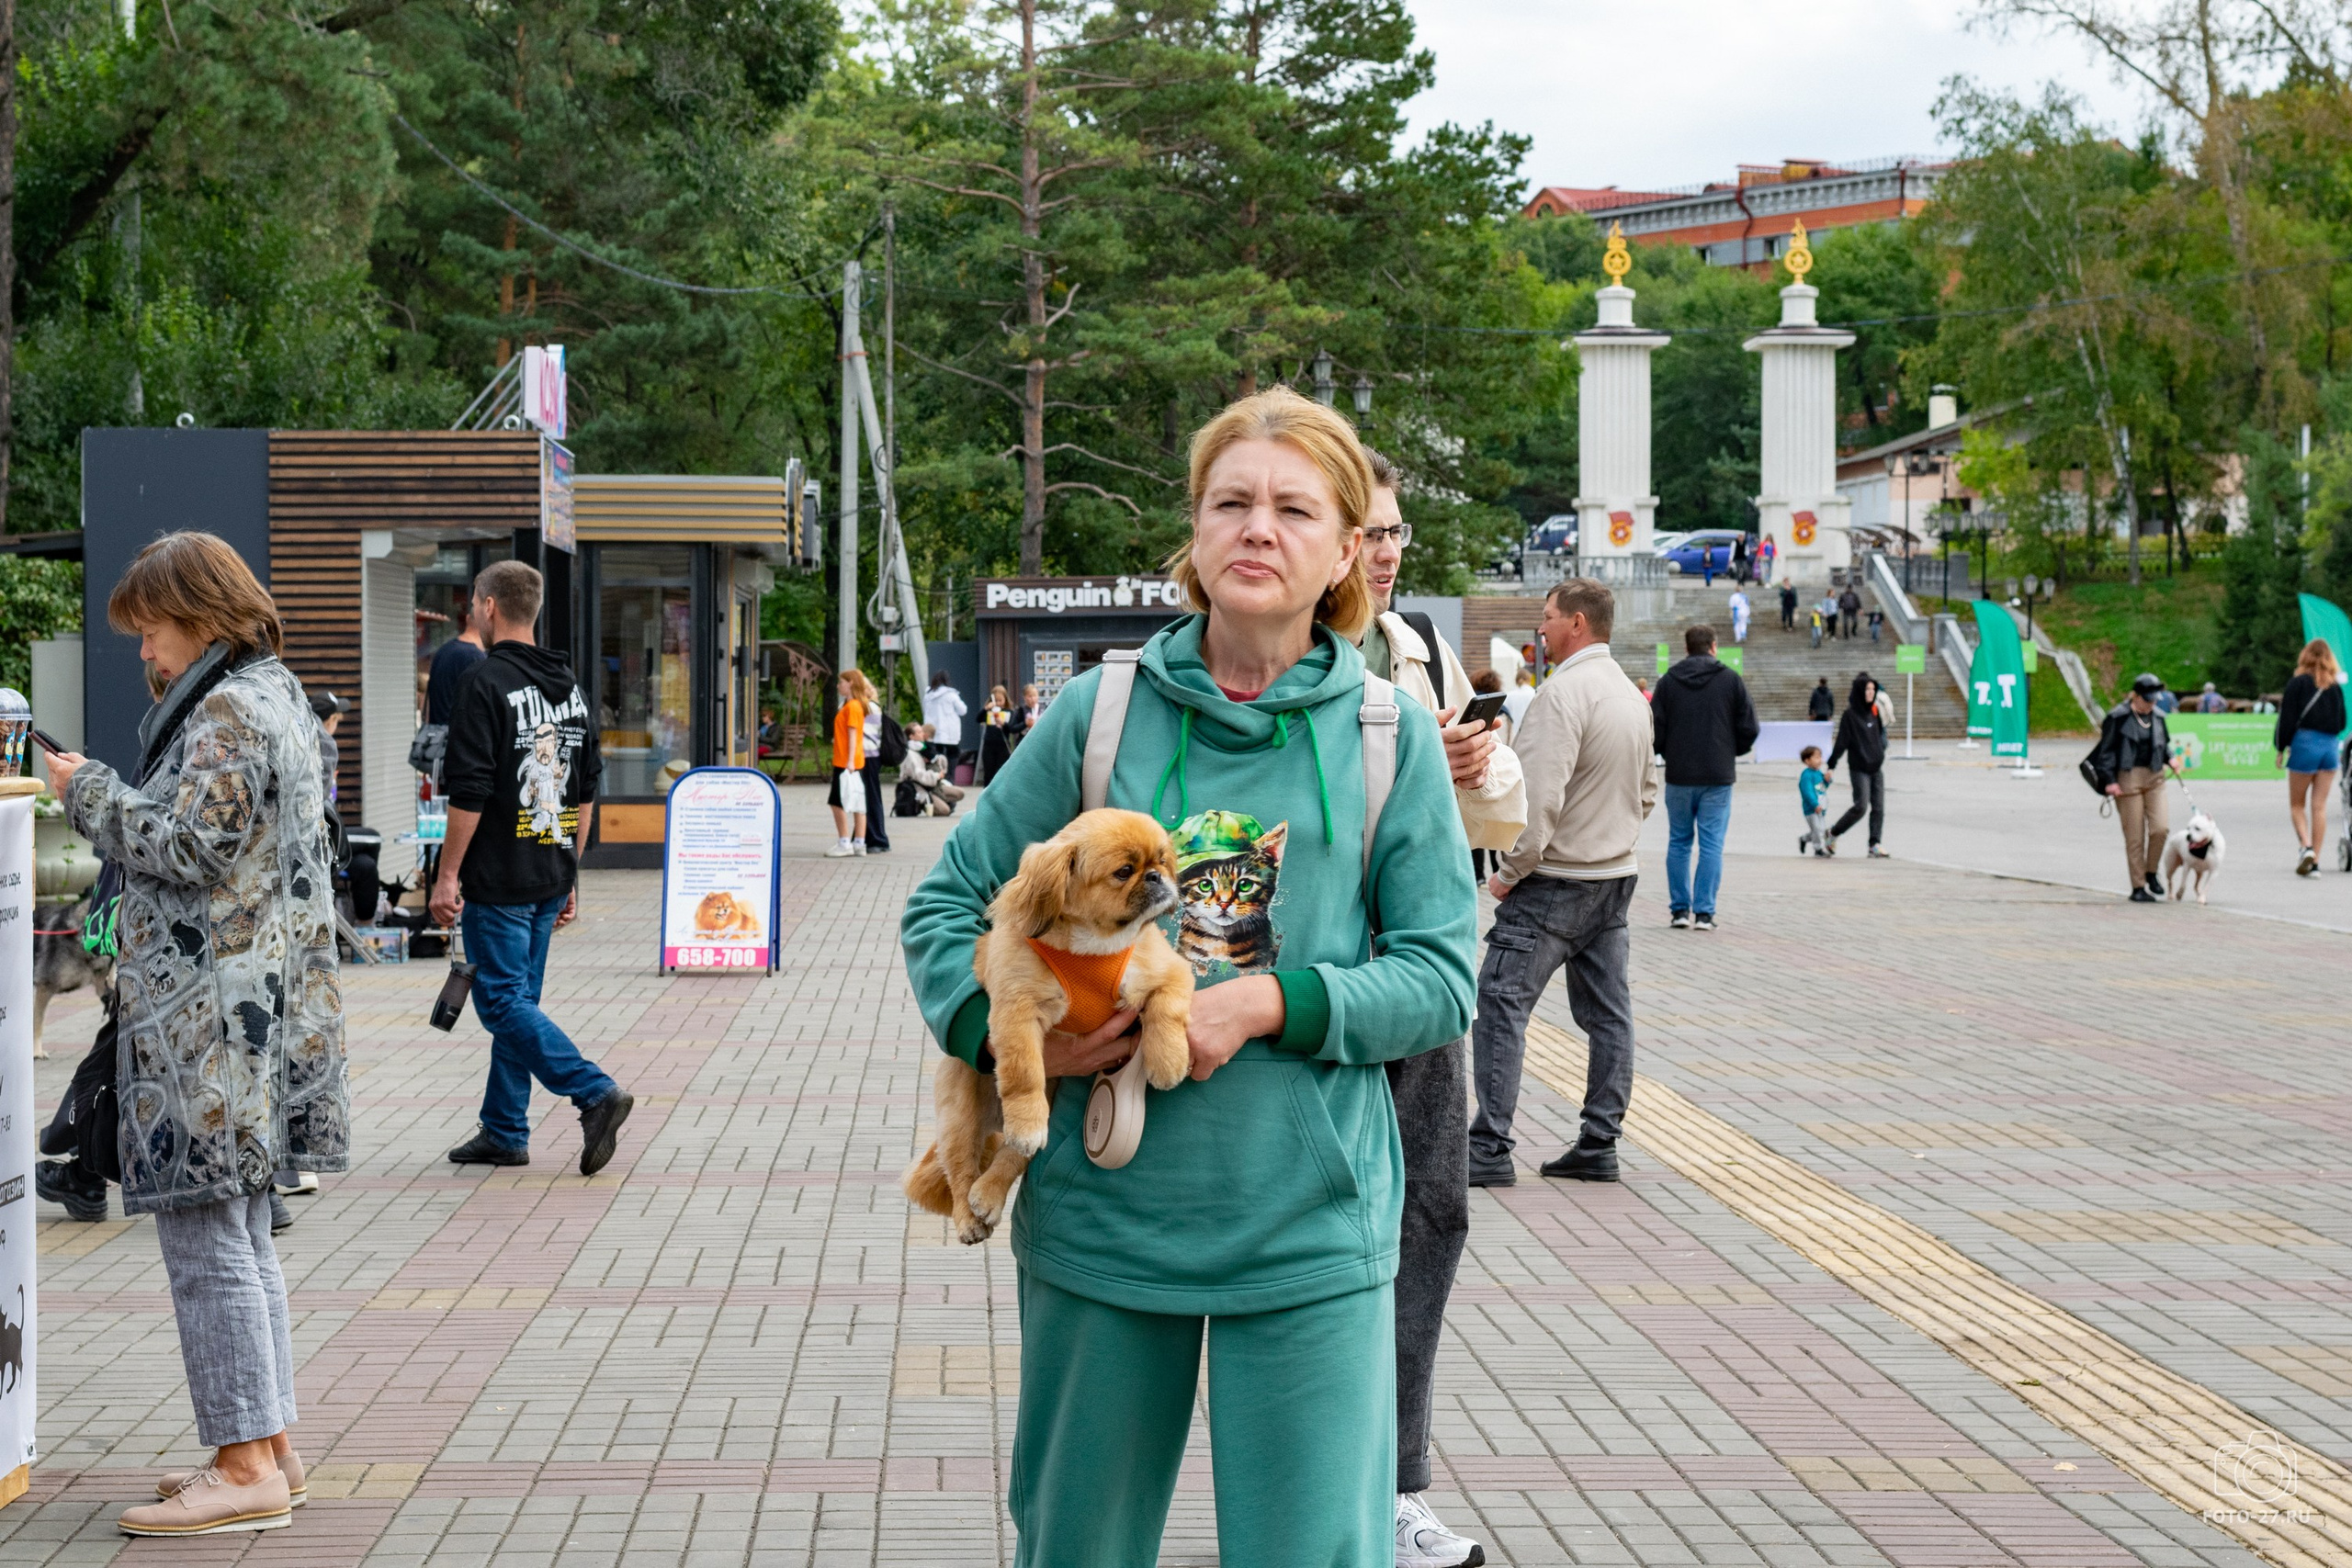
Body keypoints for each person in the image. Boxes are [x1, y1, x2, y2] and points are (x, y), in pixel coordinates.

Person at [900, 387, 1476, 1565]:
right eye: (1231, 502)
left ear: (1345, 551)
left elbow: (1440, 977)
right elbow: (946, 902)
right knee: (1078, 1547)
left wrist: (1275, 1000)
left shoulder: (1386, 735)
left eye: (1294, 509)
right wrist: (1005, 1035)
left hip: (1309, 1226)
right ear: (1196, 536)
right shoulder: (1095, 715)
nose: (1257, 528)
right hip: (1108, 1213)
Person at [45, 530, 349, 1537]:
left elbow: (188, 846)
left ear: (204, 618)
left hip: (206, 1028)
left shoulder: (224, 712)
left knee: (209, 1246)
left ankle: (243, 1463)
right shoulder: (281, 696)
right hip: (260, 1015)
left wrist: (85, 790)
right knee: (245, 1238)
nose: (143, 651)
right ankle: (268, 1448)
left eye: (153, 629)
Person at [1358, 447, 1524, 1568]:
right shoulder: (1270, 654)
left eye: (1396, 532)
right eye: (1366, 530)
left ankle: (1394, 1490)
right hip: (1301, 995)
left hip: (1423, 985)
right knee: (1295, 1245)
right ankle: (1306, 1481)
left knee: (1430, 1218)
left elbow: (1496, 822)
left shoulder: (1415, 646)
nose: (1385, 552)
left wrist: (1474, 761)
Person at [432, 561, 633, 1172]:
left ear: (489, 607)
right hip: (549, 869)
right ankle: (503, 1128)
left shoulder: (484, 683)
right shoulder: (570, 685)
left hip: (500, 877)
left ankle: (594, 1092)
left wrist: (445, 877)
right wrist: (573, 869)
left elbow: (469, 789)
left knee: (501, 1005)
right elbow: (587, 783)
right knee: (521, 1003)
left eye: (473, 605)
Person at [1471, 578, 1657, 1192]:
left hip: (1554, 881)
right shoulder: (1632, 698)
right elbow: (1648, 792)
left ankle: (1490, 1144)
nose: (1542, 629)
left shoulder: (1560, 696)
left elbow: (1537, 801)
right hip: (1615, 876)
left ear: (1577, 623)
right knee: (1609, 1015)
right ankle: (1599, 1141)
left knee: (1500, 1000)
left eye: (1548, 618)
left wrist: (1508, 872)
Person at [1650, 624, 1759, 931]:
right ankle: (1705, 913)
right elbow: (1750, 727)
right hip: (1718, 776)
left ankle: (1680, 911)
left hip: (1680, 775)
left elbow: (1654, 729)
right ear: (1713, 647)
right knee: (1711, 844)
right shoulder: (1730, 680)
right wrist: (1730, 750)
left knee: (1679, 842)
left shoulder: (1669, 681)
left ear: (1686, 649)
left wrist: (1667, 751)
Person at [2088, 672, 2179, 900]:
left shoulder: (2158, 716)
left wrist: (2171, 758)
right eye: (2147, 700)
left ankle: (2151, 872)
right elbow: (2106, 752)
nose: (2152, 704)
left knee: (2161, 828)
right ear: (2135, 696)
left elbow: (2163, 743)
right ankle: (2138, 887)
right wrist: (2110, 780)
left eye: (2154, 700)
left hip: (2155, 776)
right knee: (2135, 836)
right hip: (2127, 778)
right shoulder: (2117, 717)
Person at [2275, 637, 2346, 875]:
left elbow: (2286, 719)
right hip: (2329, 747)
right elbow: (2343, 721)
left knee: (2297, 804)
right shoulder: (2334, 687)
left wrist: (2280, 747)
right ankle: (2316, 861)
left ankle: (2305, 847)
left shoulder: (2298, 684)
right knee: (2320, 806)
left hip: (2305, 745)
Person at [1826, 674, 1890, 857]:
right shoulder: (1850, 716)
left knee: (1879, 808)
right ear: (1860, 692)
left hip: (1876, 768)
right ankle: (1833, 833)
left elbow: (1879, 736)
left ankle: (1874, 844)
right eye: (1867, 690)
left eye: (1872, 690)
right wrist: (1832, 765)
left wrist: (1881, 751)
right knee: (1861, 806)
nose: (1870, 693)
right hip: (1859, 768)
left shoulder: (1875, 711)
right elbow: (1841, 742)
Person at [828, 669, 873, 856]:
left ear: (851, 683)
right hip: (851, 761)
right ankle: (859, 843)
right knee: (857, 800)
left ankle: (845, 841)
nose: (839, 685)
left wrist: (849, 761)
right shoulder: (851, 705)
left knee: (837, 802)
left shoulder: (853, 706)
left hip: (847, 762)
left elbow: (853, 734)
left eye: (841, 682)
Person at [424, 598, 488, 726]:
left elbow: (429, 703)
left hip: (437, 740)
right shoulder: (476, 658)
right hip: (458, 740)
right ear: (488, 624)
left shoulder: (444, 650)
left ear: (468, 619)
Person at [922, 668, 968, 773]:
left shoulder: (928, 695)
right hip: (949, 732)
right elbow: (963, 710)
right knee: (953, 754)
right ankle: (949, 777)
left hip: (932, 732)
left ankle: (937, 775)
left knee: (936, 754)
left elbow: (925, 710)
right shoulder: (951, 695)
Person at [1798, 745, 1831, 856]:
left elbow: (1822, 787)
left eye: (1820, 757)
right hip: (1812, 808)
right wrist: (1814, 804)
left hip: (1821, 807)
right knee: (1817, 829)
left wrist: (1827, 780)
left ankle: (1804, 839)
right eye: (1816, 758)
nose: (1820, 760)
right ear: (1807, 761)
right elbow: (1807, 792)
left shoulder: (1818, 773)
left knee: (1820, 830)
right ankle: (1818, 849)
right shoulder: (1806, 775)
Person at [978, 683, 1014, 783]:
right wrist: (986, 709)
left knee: (1001, 771)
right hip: (989, 743)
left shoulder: (1009, 712)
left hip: (1002, 744)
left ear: (1005, 699)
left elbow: (1012, 728)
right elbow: (978, 719)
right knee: (989, 771)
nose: (998, 703)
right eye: (996, 700)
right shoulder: (989, 711)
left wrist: (1003, 724)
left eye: (1000, 700)